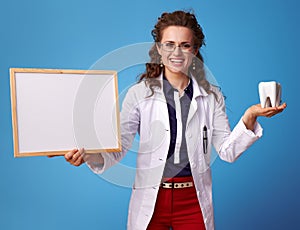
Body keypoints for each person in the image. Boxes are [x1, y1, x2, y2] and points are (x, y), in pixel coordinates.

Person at [64, 10, 286, 230]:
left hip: (193, 201)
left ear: (195, 50)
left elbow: (227, 151)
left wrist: (250, 116)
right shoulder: (139, 94)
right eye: (169, 44)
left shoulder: (211, 97)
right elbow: (119, 146)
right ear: (159, 49)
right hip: (152, 199)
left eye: (185, 45)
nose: (177, 52)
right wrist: (88, 155)